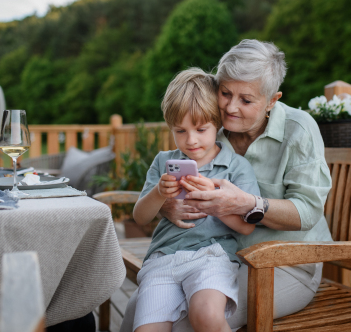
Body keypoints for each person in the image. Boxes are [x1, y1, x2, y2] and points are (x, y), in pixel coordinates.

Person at [120, 40, 333, 332]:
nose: (231, 107)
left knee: (186, 325)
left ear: (272, 100)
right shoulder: (213, 130)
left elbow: (308, 211)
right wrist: (168, 204)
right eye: (225, 93)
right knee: (132, 316)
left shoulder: (298, 129)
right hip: (217, 257)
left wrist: (249, 204)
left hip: (282, 263)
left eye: (246, 100)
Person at [131, 68, 261, 332]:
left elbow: (247, 226)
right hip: (163, 258)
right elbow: (140, 217)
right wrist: (158, 193)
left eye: (201, 129)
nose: (191, 140)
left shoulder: (236, 166)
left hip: (212, 255)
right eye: (180, 131)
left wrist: (213, 202)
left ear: (218, 124)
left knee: (206, 315)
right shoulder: (163, 162)